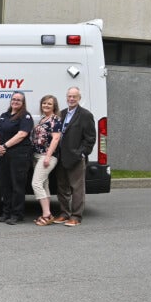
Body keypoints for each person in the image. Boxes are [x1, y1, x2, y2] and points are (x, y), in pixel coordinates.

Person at [53, 87, 96, 227]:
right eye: (69, 96)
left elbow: (90, 138)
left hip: (76, 158)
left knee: (77, 188)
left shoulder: (85, 115)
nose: (71, 99)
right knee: (62, 187)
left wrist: (81, 154)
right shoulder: (62, 113)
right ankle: (64, 214)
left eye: (74, 97)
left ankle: (76, 216)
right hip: (61, 157)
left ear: (79, 99)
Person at [0, 91, 33, 225]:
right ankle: (6, 213)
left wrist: (4, 145)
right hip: (3, 155)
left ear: (23, 103)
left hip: (19, 155)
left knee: (17, 186)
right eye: (14, 99)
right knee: (5, 185)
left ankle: (17, 214)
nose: (15, 102)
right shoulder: (4, 115)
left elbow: (22, 134)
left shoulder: (25, 116)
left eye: (18, 100)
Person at [30, 95, 63, 226]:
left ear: (54, 106)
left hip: (47, 156)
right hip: (37, 155)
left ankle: (47, 215)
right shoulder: (43, 119)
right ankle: (47, 213)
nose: (46, 106)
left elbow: (55, 139)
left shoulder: (56, 120)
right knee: (44, 184)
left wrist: (48, 156)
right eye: (44, 103)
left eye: (49, 104)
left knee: (36, 183)